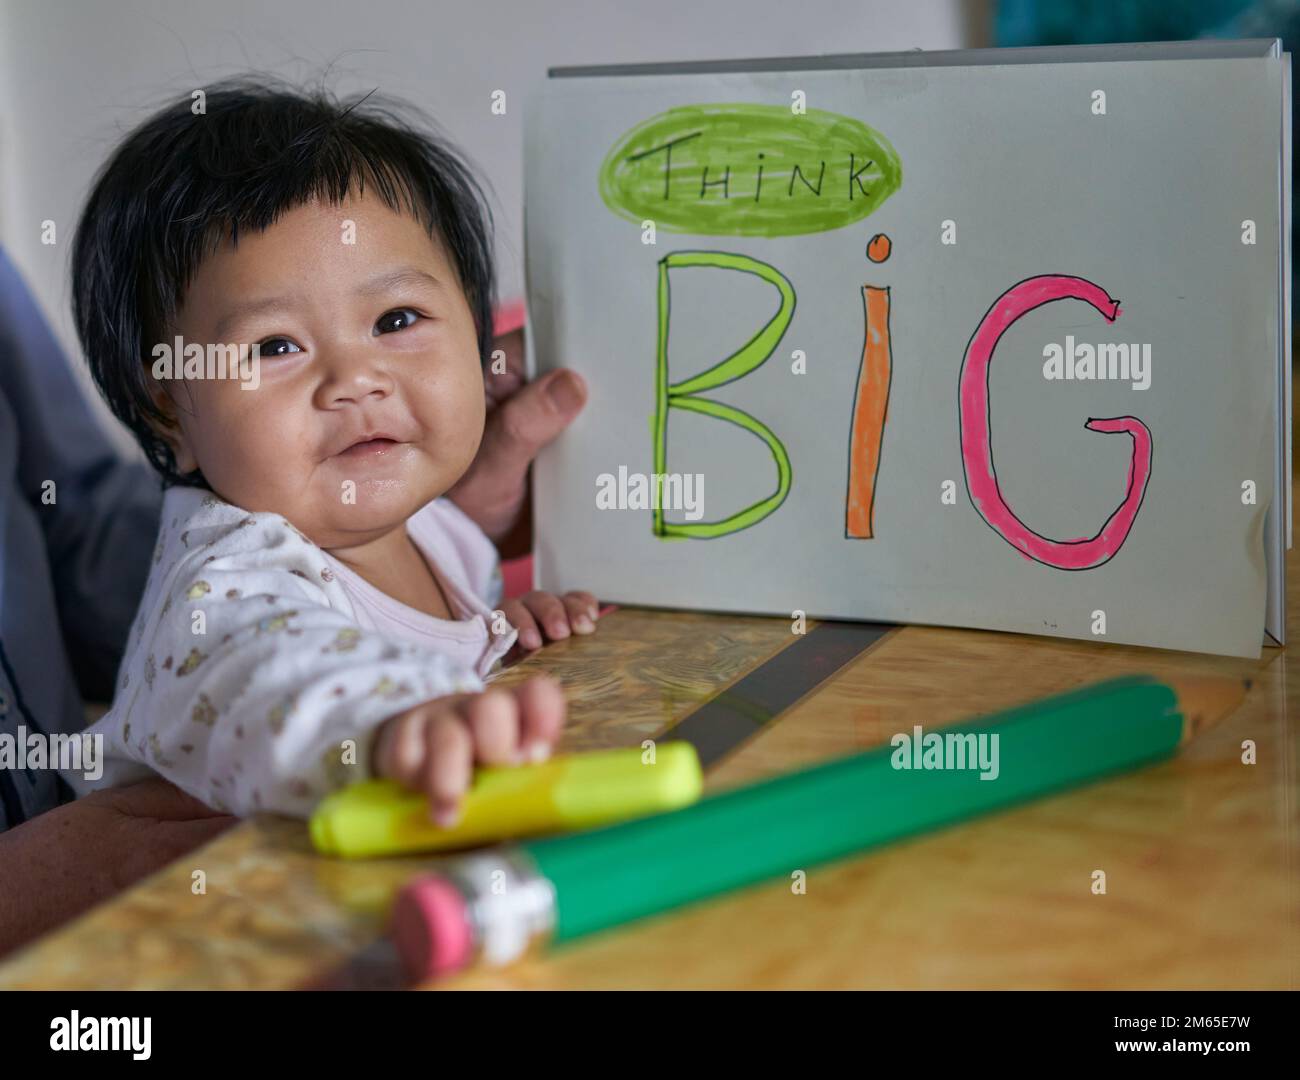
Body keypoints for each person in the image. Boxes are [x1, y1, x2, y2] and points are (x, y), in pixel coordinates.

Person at [0, 92, 585, 953]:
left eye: (397, 321)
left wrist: (506, 627)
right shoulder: (224, 578)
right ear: (171, 413)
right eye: (275, 346)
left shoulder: (434, 533)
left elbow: (78, 519)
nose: (356, 377)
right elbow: (272, 673)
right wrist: (395, 726)